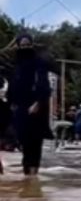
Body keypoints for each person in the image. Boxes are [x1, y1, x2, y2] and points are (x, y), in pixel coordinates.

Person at [6, 34, 52, 176]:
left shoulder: (39, 62)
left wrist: (38, 102)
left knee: (35, 142)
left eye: (28, 44)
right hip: (20, 108)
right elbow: (12, 85)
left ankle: (33, 175)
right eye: (23, 45)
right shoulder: (15, 64)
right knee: (23, 141)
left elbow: (43, 83)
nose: (25, 47)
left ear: (32, 45)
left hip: (37, 107)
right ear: (18, 46)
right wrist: (11, 102)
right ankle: (27, 173)